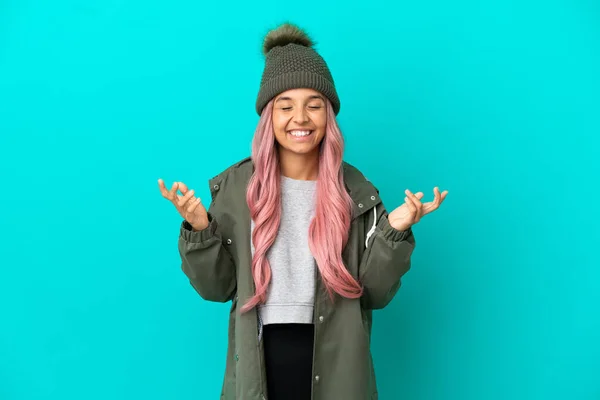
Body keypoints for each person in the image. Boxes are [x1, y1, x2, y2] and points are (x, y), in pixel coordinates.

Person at [158, 22, 447, 400]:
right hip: (261, 359)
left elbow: (375, 293)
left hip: (336, 360)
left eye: (314, 105)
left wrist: (394, 230)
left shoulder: (355, 193)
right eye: (286, 106)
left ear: (329, 115)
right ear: (268, 116)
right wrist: (199, 228)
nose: (301, 118)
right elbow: (217, 287)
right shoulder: (235, 189)